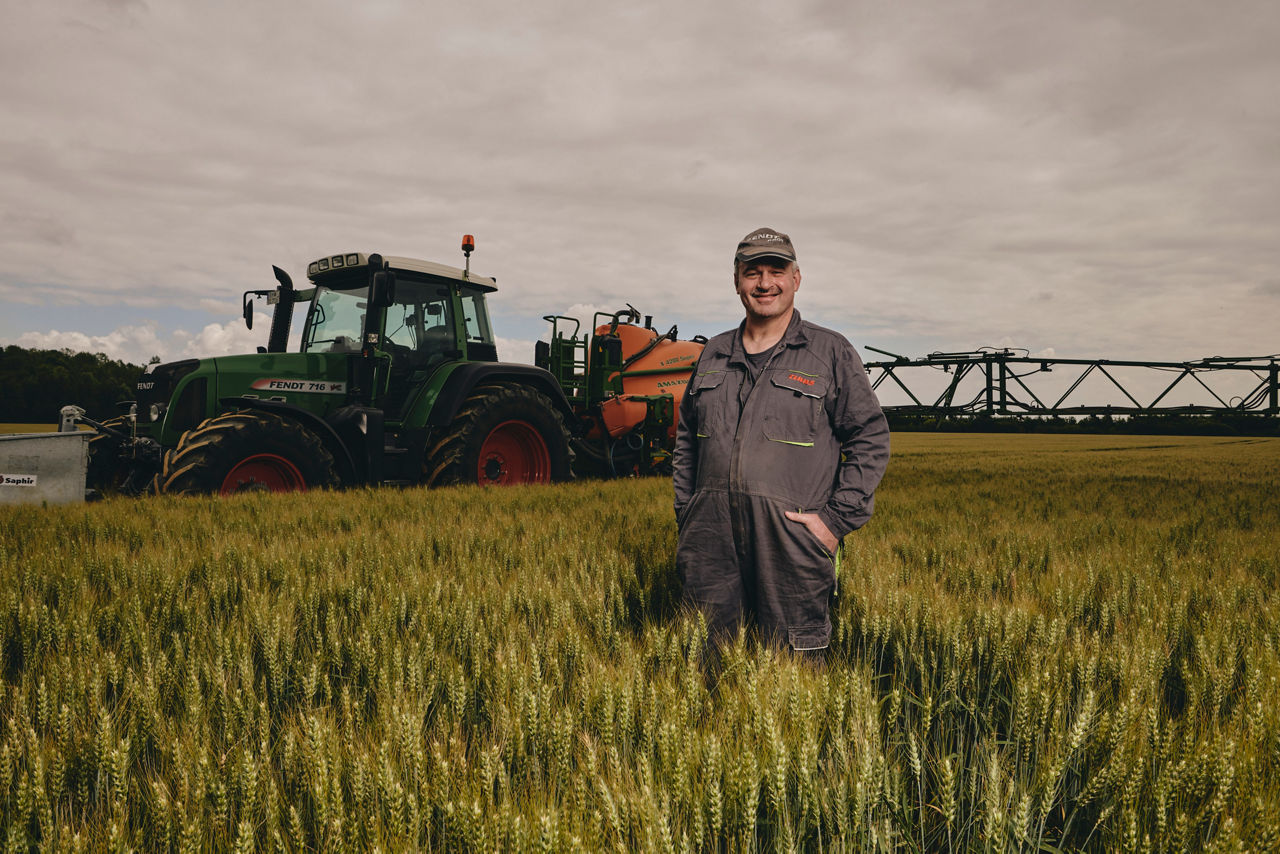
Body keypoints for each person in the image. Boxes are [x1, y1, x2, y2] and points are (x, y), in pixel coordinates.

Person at [672, 227, 890, 657]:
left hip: (792, 547)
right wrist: (689, 513)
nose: (765, 282)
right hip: (709, 545)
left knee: (793, 674)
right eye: (753, 272)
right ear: (737, 281)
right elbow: (686, 440)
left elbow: (870, 436)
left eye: (777, 270)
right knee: (705, 667)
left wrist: (833, 523)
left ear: (796, 278)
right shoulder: (713, 353)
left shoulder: (829, 352)